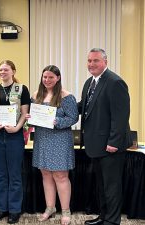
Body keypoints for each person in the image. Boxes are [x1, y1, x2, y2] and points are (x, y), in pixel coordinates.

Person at [78, 48, 131, 225]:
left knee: (112, 187)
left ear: (105, 62)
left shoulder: (115, 82)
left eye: (96, 61)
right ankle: (103, 217)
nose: (91, 64)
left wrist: (114, 142)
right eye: (89, 61)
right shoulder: (89, 82)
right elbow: (83, 107)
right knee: (101, 185)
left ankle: (113, 221)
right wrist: (57, 105)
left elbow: (121, 116)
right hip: (95, 145)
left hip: (111, 147)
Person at [26, 65, 79, 225]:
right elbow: (32, 116)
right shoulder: (36, 95)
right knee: (46, 175)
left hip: (60, 138)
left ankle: (66, 211)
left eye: (51, 77)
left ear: (58, 78)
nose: (47, 80)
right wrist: (29, 117)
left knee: (61, 176)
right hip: (42, 138)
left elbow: (73, 118)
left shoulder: (66, 96)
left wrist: (58, 121)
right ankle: (50, 208)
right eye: (45, 77)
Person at [0, 60, 30, 224]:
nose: (2, 72)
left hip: (14, 136)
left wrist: (17, 128)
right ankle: (2, 208)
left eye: (6, 69)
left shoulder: (22, 89)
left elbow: (25, 113)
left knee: (15, 174)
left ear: (13, 71)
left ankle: (15, 210)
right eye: (0, 70)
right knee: (1, 174)